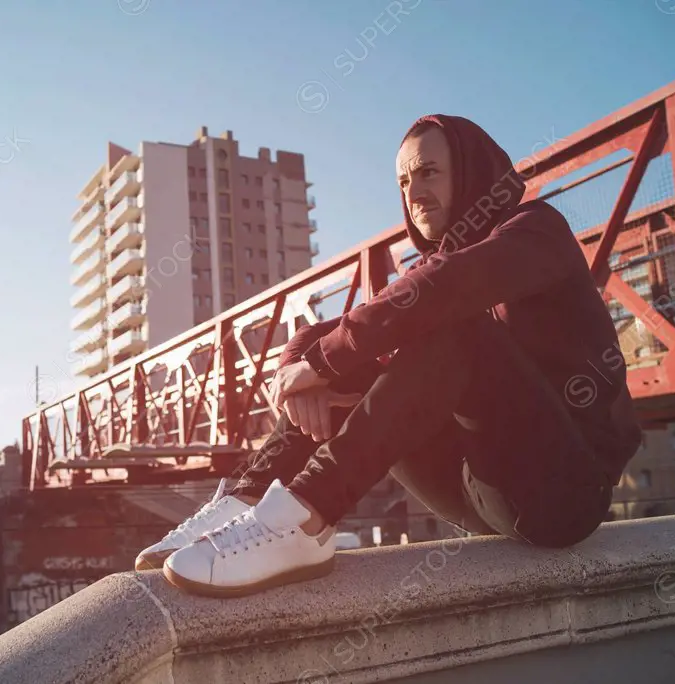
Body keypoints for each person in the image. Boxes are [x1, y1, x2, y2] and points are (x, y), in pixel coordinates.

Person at [134, 114, 643, 598]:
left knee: (450, 329)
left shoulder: (536, 231)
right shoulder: (433, 266)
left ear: (470, 171)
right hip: (473, 490)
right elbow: (328, 332)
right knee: (358, 350)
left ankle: (305, 515)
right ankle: (244, 500)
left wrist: (322, 365)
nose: (413, 192)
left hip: (564, 495)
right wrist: (303, 369)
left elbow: (445, 288)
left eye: (428, 172)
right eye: (403, 181)